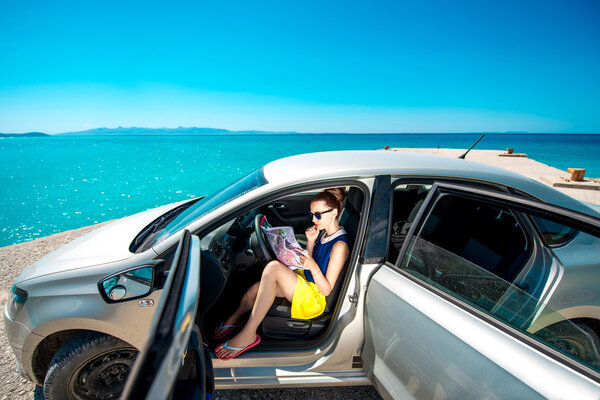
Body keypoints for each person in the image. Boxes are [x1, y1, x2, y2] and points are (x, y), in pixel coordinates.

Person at [214, 188, 350, 360]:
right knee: (257, 289)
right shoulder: (324, 233)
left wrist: (313, 267)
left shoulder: (339, 246)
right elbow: (312, 260)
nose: (313, 219)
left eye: (318, 215)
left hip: (314, 297)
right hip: (306, 281)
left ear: (334, 213)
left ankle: (248, 334)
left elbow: (326, 290)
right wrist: (310, 243)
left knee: (273, 268)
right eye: (312, 214)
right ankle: (233, 320)